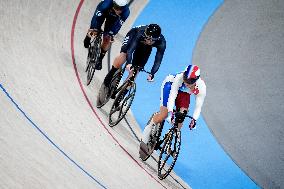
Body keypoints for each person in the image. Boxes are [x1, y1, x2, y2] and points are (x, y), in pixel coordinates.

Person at [141, 64, 206, 150]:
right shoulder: (179, 78)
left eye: (189, 81)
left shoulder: (201, 87)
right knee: (163, 115)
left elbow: (198, 106)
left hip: (184, 93)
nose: (186, 83)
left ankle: (172, 139)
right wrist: (170, 112)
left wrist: (194, 119)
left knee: (182, 115)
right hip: (170, 85)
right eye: (185, 79)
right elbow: (172, 96)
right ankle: (149, 128)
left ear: (196, 80)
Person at [102, 24, 166, 93]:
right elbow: (130, 50)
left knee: (137, 68)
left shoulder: (161, 43)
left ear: (157, 39)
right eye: (148, 38)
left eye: (152, 40)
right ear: (145, 35)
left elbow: (158, 61)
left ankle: (123, 93)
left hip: (145, 46)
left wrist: (152, 73)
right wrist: (129, 63)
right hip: (133, 34)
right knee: (124, 54)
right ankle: (111, 74)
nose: (149, 41)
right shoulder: (140, 33)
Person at [83, 0, 130, 70]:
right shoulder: (105, 5)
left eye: (121, 8)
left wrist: (111, 34)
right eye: (117, 7)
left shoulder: (126, 12)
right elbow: (96, 18)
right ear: (113, 3)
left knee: (107, 39)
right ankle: (88, 37)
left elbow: (118, 25)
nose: (118, 10)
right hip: (103, 13)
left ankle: (100, 60)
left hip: (113, 19)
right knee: (94, 29)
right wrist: (94, 28)